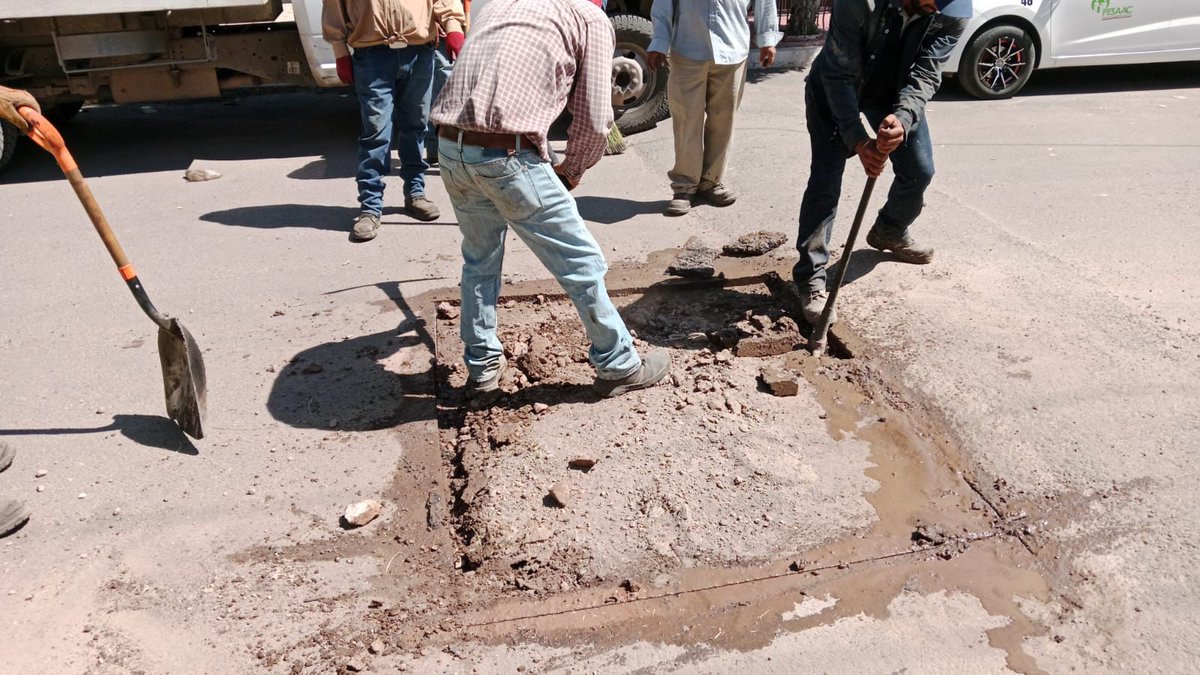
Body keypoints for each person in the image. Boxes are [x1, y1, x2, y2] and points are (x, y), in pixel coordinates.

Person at [430, 0, 671, 398]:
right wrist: (572, 169)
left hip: (451, 148)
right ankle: (619, 365)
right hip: (506, 154)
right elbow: (595, 117)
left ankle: (484, 365)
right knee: (582, 261)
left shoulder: (501, 5)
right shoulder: (587, 17)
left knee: (480, 258)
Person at [793, 0, 970, 324]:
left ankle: (889, 229)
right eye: (929, 2)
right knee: (826, 179)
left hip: (890, 93)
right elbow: (838, 73)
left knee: (919, 170)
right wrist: (859, 141)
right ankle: (811, 277)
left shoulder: (953, 12)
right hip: (834, 86)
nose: (933, 9)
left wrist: (902, 118)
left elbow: (926, 74)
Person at [322, 0, 467, 241]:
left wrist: (453, 27)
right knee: (376, 132)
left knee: (416, 127)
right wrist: (340, 52)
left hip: (419, 51)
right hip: (372, 56)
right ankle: (370, 207)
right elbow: (334, 7)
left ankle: (415, 193)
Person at [647, 0, 783, 217]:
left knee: (723, 120)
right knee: (686, 121)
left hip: (732, 49)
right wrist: (659, 42)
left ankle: (711, 181)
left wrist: (767, 40)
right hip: (688, 47)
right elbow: (663, 4)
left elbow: (765, 3)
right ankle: (684, 186)